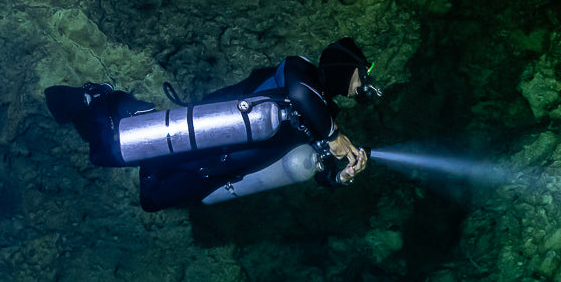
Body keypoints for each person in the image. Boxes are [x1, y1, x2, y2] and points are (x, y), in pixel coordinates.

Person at [45, 38, 380, 211]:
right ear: (342, 64)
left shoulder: (327, 121)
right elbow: (299, 94)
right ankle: (102, 98)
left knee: (151, 200)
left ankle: (135, 115)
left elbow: (313, 167)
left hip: (213, 171)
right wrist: (334, 136)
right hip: (199, 138)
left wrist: (339, 176)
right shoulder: (301, 70)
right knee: (105, 150)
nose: (362, 84)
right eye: (361, 73)